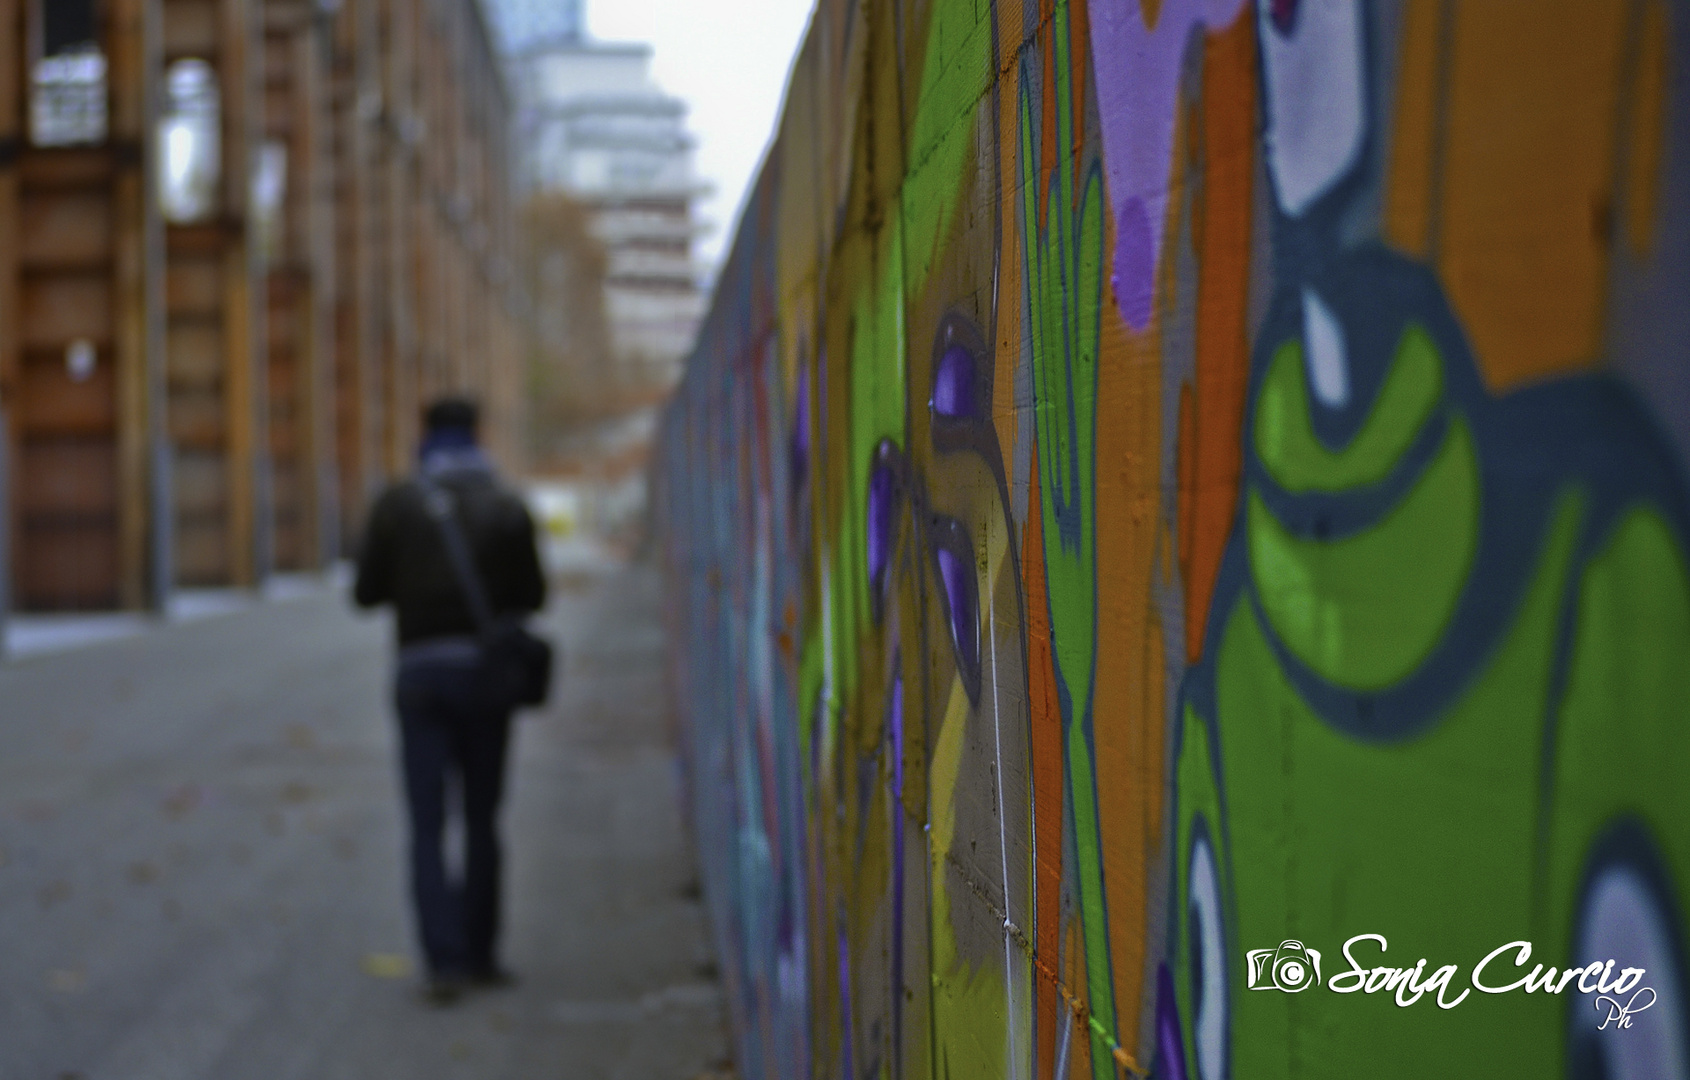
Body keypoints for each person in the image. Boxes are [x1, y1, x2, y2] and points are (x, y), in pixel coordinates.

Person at [354, 397, 545, 1004]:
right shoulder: (506, 504)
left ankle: (444, 961)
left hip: (419, 677)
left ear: (425, 434)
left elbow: (365, 593)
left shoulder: (398, 504)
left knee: (426, 825)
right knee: (484, 819)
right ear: (478, 433)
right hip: (485, 679)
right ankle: (484, 953)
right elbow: (533, 596)